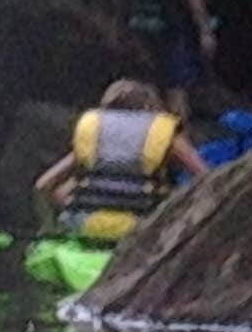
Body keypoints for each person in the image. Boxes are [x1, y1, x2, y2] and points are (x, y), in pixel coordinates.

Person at [32, 79, 211, 245]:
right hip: (142, 225)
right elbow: (207, 177)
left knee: (67, 188)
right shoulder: (162, 131)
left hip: (87, 226)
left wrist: (49, 227)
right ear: (150, 105)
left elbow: (42, 186)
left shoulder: (95, 134)